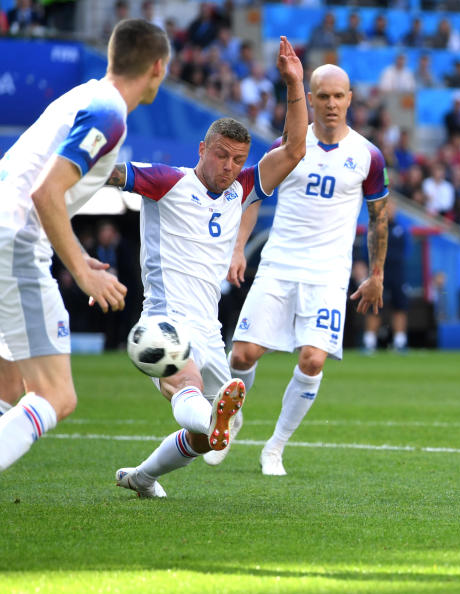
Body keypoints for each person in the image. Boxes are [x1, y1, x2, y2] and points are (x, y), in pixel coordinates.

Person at [107, 37, 306, 497]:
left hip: (210, 328)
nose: (231, 167)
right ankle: (209, 412)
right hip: (165, 316)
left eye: (239, 159)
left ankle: (144, 476)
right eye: (222, 156)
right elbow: (115, 174)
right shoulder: (168, 182)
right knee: (188, 384)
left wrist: (294, 84)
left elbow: (295, 149)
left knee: (204, 437)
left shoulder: (242, 189)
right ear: (203, 148)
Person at [0, 19, 169, 472]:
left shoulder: (83, 96)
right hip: (14, 243)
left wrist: (74, 253)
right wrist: (81, 267)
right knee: (56, 395)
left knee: (8, 383)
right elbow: (45, 193)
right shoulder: (109, 114)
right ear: (158, 66)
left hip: (5, 232)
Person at [226, 63, 390, 477]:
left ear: (350, 98)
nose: (332, 104)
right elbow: (253, 195)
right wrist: (238, 250)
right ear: (310, 99)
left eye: (339, 96)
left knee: (314, 360)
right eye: (323, 96)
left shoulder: (367, 155)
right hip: (279, 264)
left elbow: (379, 218)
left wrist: (377, 274)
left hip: (328, 275)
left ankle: (275, 448)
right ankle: (230, 417)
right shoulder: (290, 148)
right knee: (243, 353)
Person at [363, 200, 408, 354]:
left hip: (396, 273)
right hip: (377, 273)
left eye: (392, 207)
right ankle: (369, 342)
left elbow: (407, 251)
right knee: (374, 306)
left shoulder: (401, 228)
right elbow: (366, 251)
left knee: (399, 306)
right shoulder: (374, 228)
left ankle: (400, 342)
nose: (390, 210)